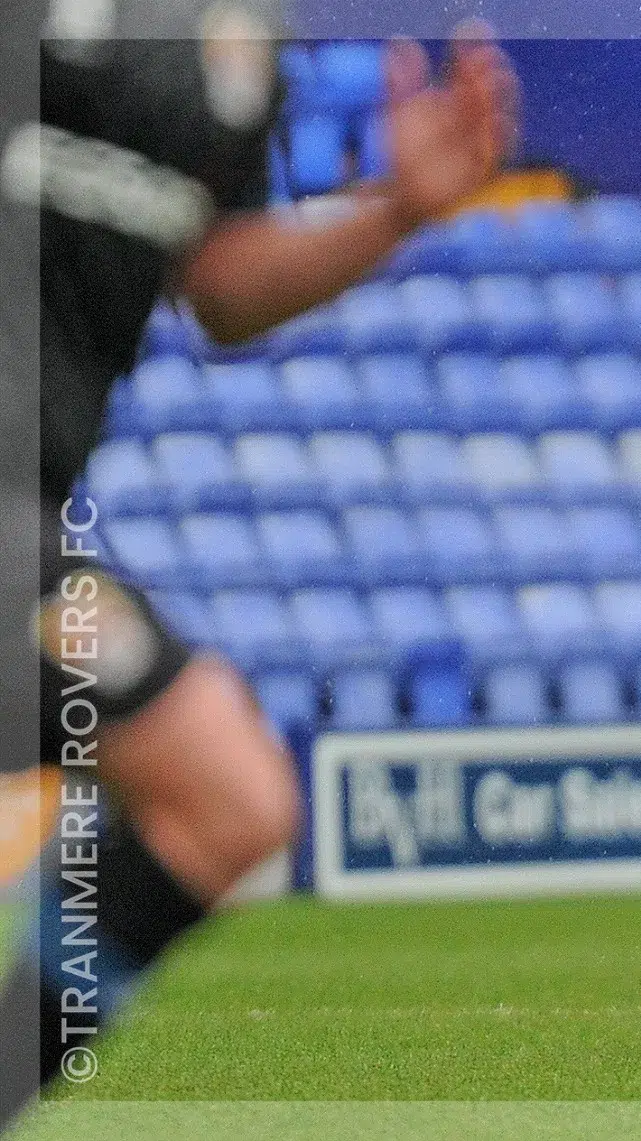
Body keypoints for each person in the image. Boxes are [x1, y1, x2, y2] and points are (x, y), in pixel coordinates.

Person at [0, 4, 519, 1123]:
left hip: (26, 514)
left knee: (224, 794)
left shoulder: (228, 44)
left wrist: (394, 209)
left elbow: (220, 287)